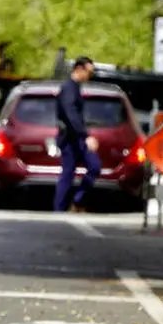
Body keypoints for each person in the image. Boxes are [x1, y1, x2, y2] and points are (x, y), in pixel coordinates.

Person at [55, 57, 101, 212]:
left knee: (94, 166)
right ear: (79, 69)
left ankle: (77, 199)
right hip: (70, 138)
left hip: (77, 137)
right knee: (68, 173)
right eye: (89, 72)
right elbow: (70, 114)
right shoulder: (69, 87)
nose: (90, 76)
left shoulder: (75, 87)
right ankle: (59, 210)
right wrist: (85, 135)